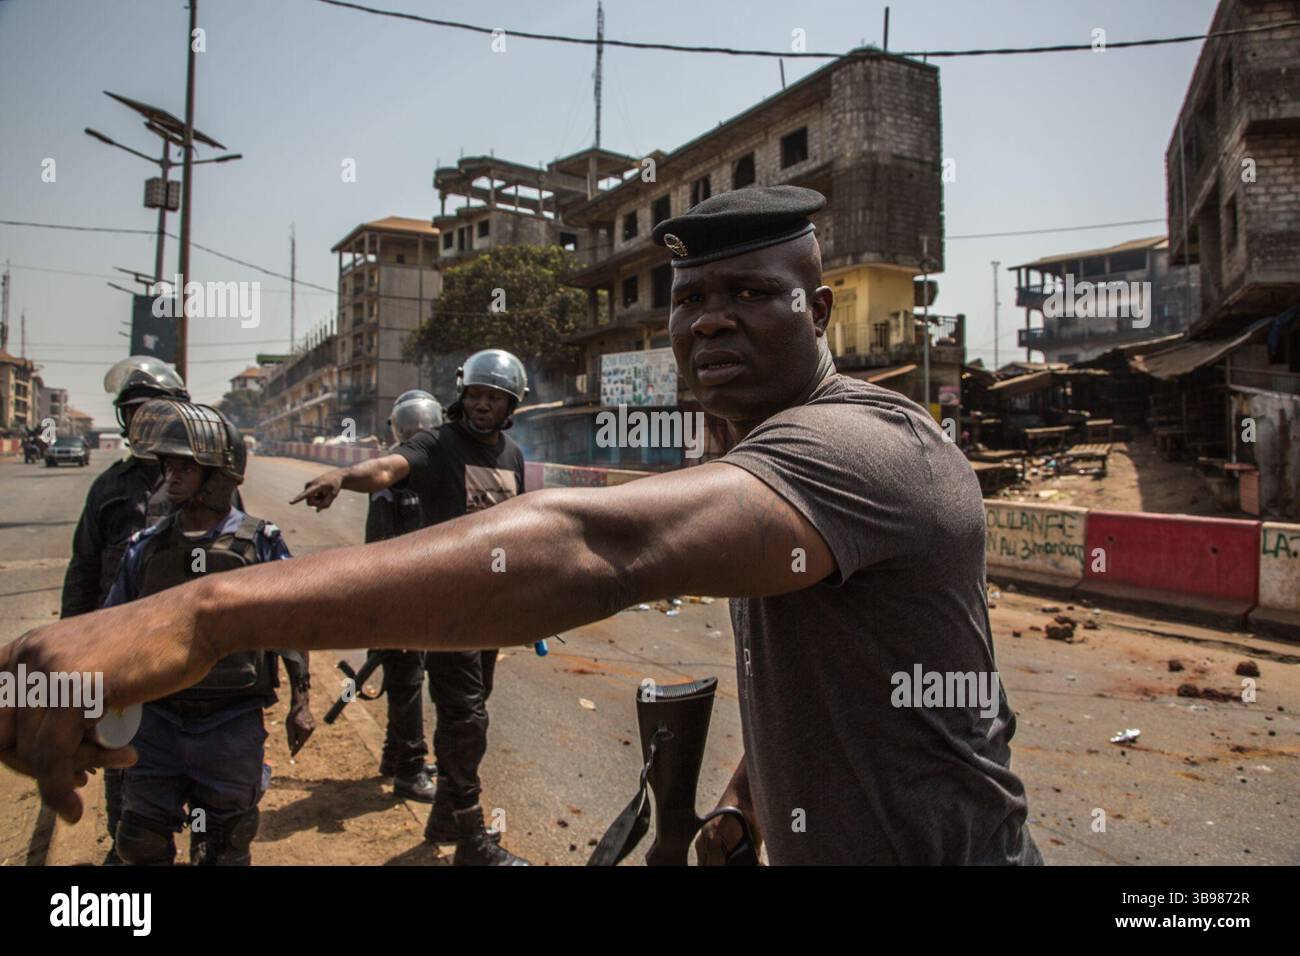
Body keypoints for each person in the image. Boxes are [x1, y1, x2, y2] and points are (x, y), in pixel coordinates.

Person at [4, 186, 1040, 865]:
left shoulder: (860, 447)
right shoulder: (760, 462)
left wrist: (206, 615)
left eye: (746, 294)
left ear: (817, 313)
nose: (707, 319)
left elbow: (594, 547)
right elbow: (836, 675)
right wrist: (744, 803)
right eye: (690, 297)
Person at [291, 353, 530, 866]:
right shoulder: (439, 444)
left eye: (494, 396)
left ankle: (445, 813)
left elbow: (519, 527)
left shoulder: (512, 455)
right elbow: (387, 468)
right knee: (466, 718)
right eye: (475, 394)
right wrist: (343, 477)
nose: (482, 403)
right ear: (462, 396)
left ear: (511, 404)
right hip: (449, 611)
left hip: (494, 612)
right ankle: (471, 838)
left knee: (472, 710)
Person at [103, 399, 313, 865]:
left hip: (231, 722)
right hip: (156, 721)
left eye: (186, 468)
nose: (171, 477)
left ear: (218, 476)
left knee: (228, 842)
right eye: (168, 467)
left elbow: (292, 622)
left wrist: (301, 702)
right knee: (139, 841)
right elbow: (113, 625)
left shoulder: (260, 543)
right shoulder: (147, 547)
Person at [59, 356, 190, 864]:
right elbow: (83, 569)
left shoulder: (205, 478)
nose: (142, 423)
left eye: (151, 412)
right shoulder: (109, 488)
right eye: (133, 413)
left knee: (190, 758)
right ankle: (126, 849)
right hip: (119, 651)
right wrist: (70, 650)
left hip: (186, 646)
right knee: (122, 755)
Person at [365, 390, 444, 803]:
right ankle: (410, 770)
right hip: (400, 601)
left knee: (406, 681)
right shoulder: (391, 484)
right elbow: (379, 550)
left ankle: (395, 756)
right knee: (408, 682)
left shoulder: (426, 475)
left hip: (421, 598)